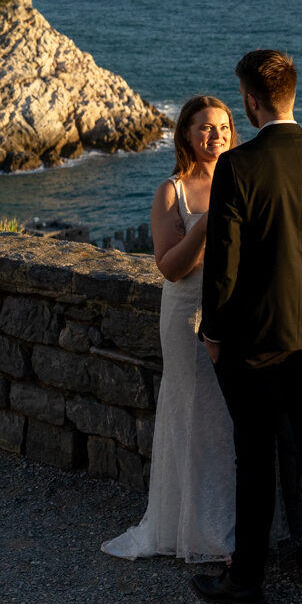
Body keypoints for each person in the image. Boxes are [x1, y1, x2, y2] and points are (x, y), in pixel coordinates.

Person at [190, 49, 302, 604]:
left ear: (249, 102)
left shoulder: (238, 166)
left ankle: (246, 581)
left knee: (255, 457)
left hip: (253, 336)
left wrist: (213, 333)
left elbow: (224, 264)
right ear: (292, 94)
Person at [101, 95, 238, 563]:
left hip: (237, 314)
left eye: (223, 127)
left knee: (233, 419)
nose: (216, 135)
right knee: (196, 413)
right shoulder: (171, 192)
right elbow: (170, 267)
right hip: (188, 316)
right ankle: (202, 533)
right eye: (205, 127)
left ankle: (234, 522)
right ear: (185, 134)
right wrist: (208, 224)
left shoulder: (242, 181)